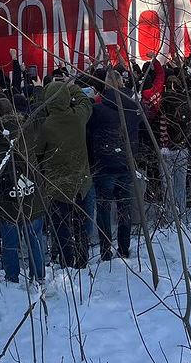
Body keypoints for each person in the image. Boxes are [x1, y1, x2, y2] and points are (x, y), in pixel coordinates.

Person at [0, 97, 46, 285]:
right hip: (32, 193)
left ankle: (12, 277)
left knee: (10, 242)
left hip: (7, 197)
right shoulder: (27, 128)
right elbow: (40, 113)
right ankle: (39, 276)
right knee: (35, 239)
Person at [36, 80, 93, 269]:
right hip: (81, 182)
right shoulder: (78, 117)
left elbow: (38, 152)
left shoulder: (47, 125)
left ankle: (66, 260)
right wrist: (72, 86)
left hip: (57, 184)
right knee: (80, 222)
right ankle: (82, 258)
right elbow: (85, 101)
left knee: (61, 226)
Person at [86, 71, 142, 261]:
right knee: (124, 206)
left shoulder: (99, 110)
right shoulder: (134, 108)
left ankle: (105, 249)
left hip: (105, 164)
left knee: (104, 209)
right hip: (126, 162)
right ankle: (124, 247)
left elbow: (89, 131)